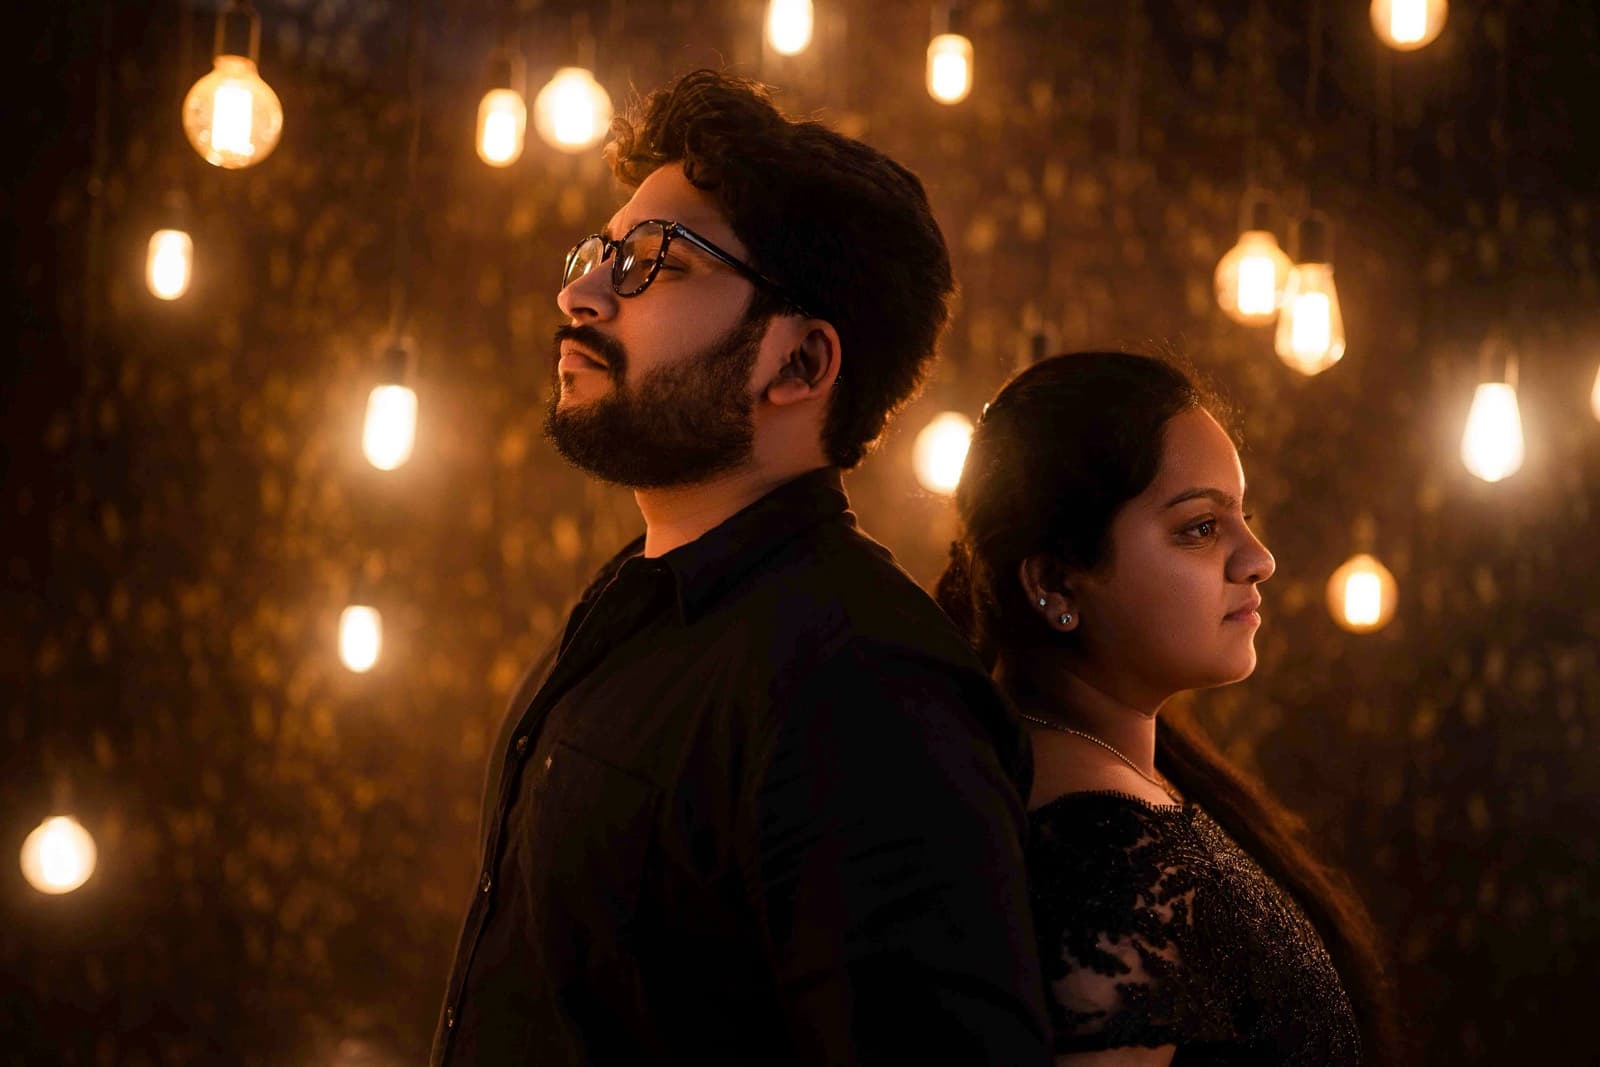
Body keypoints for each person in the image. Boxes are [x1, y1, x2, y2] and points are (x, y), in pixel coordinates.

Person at [431, 70, 1051, 1066]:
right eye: (597, 252)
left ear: (799, 364)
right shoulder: (629, 610)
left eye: (652, 263)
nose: (578, 291)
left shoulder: (864, 681)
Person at [936, 351, 1398, 1066]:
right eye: (1200, 528)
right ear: (1057, 583)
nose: (1259, 557)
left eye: (1243, 516)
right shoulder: (1103, 851)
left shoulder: (1118, 783)